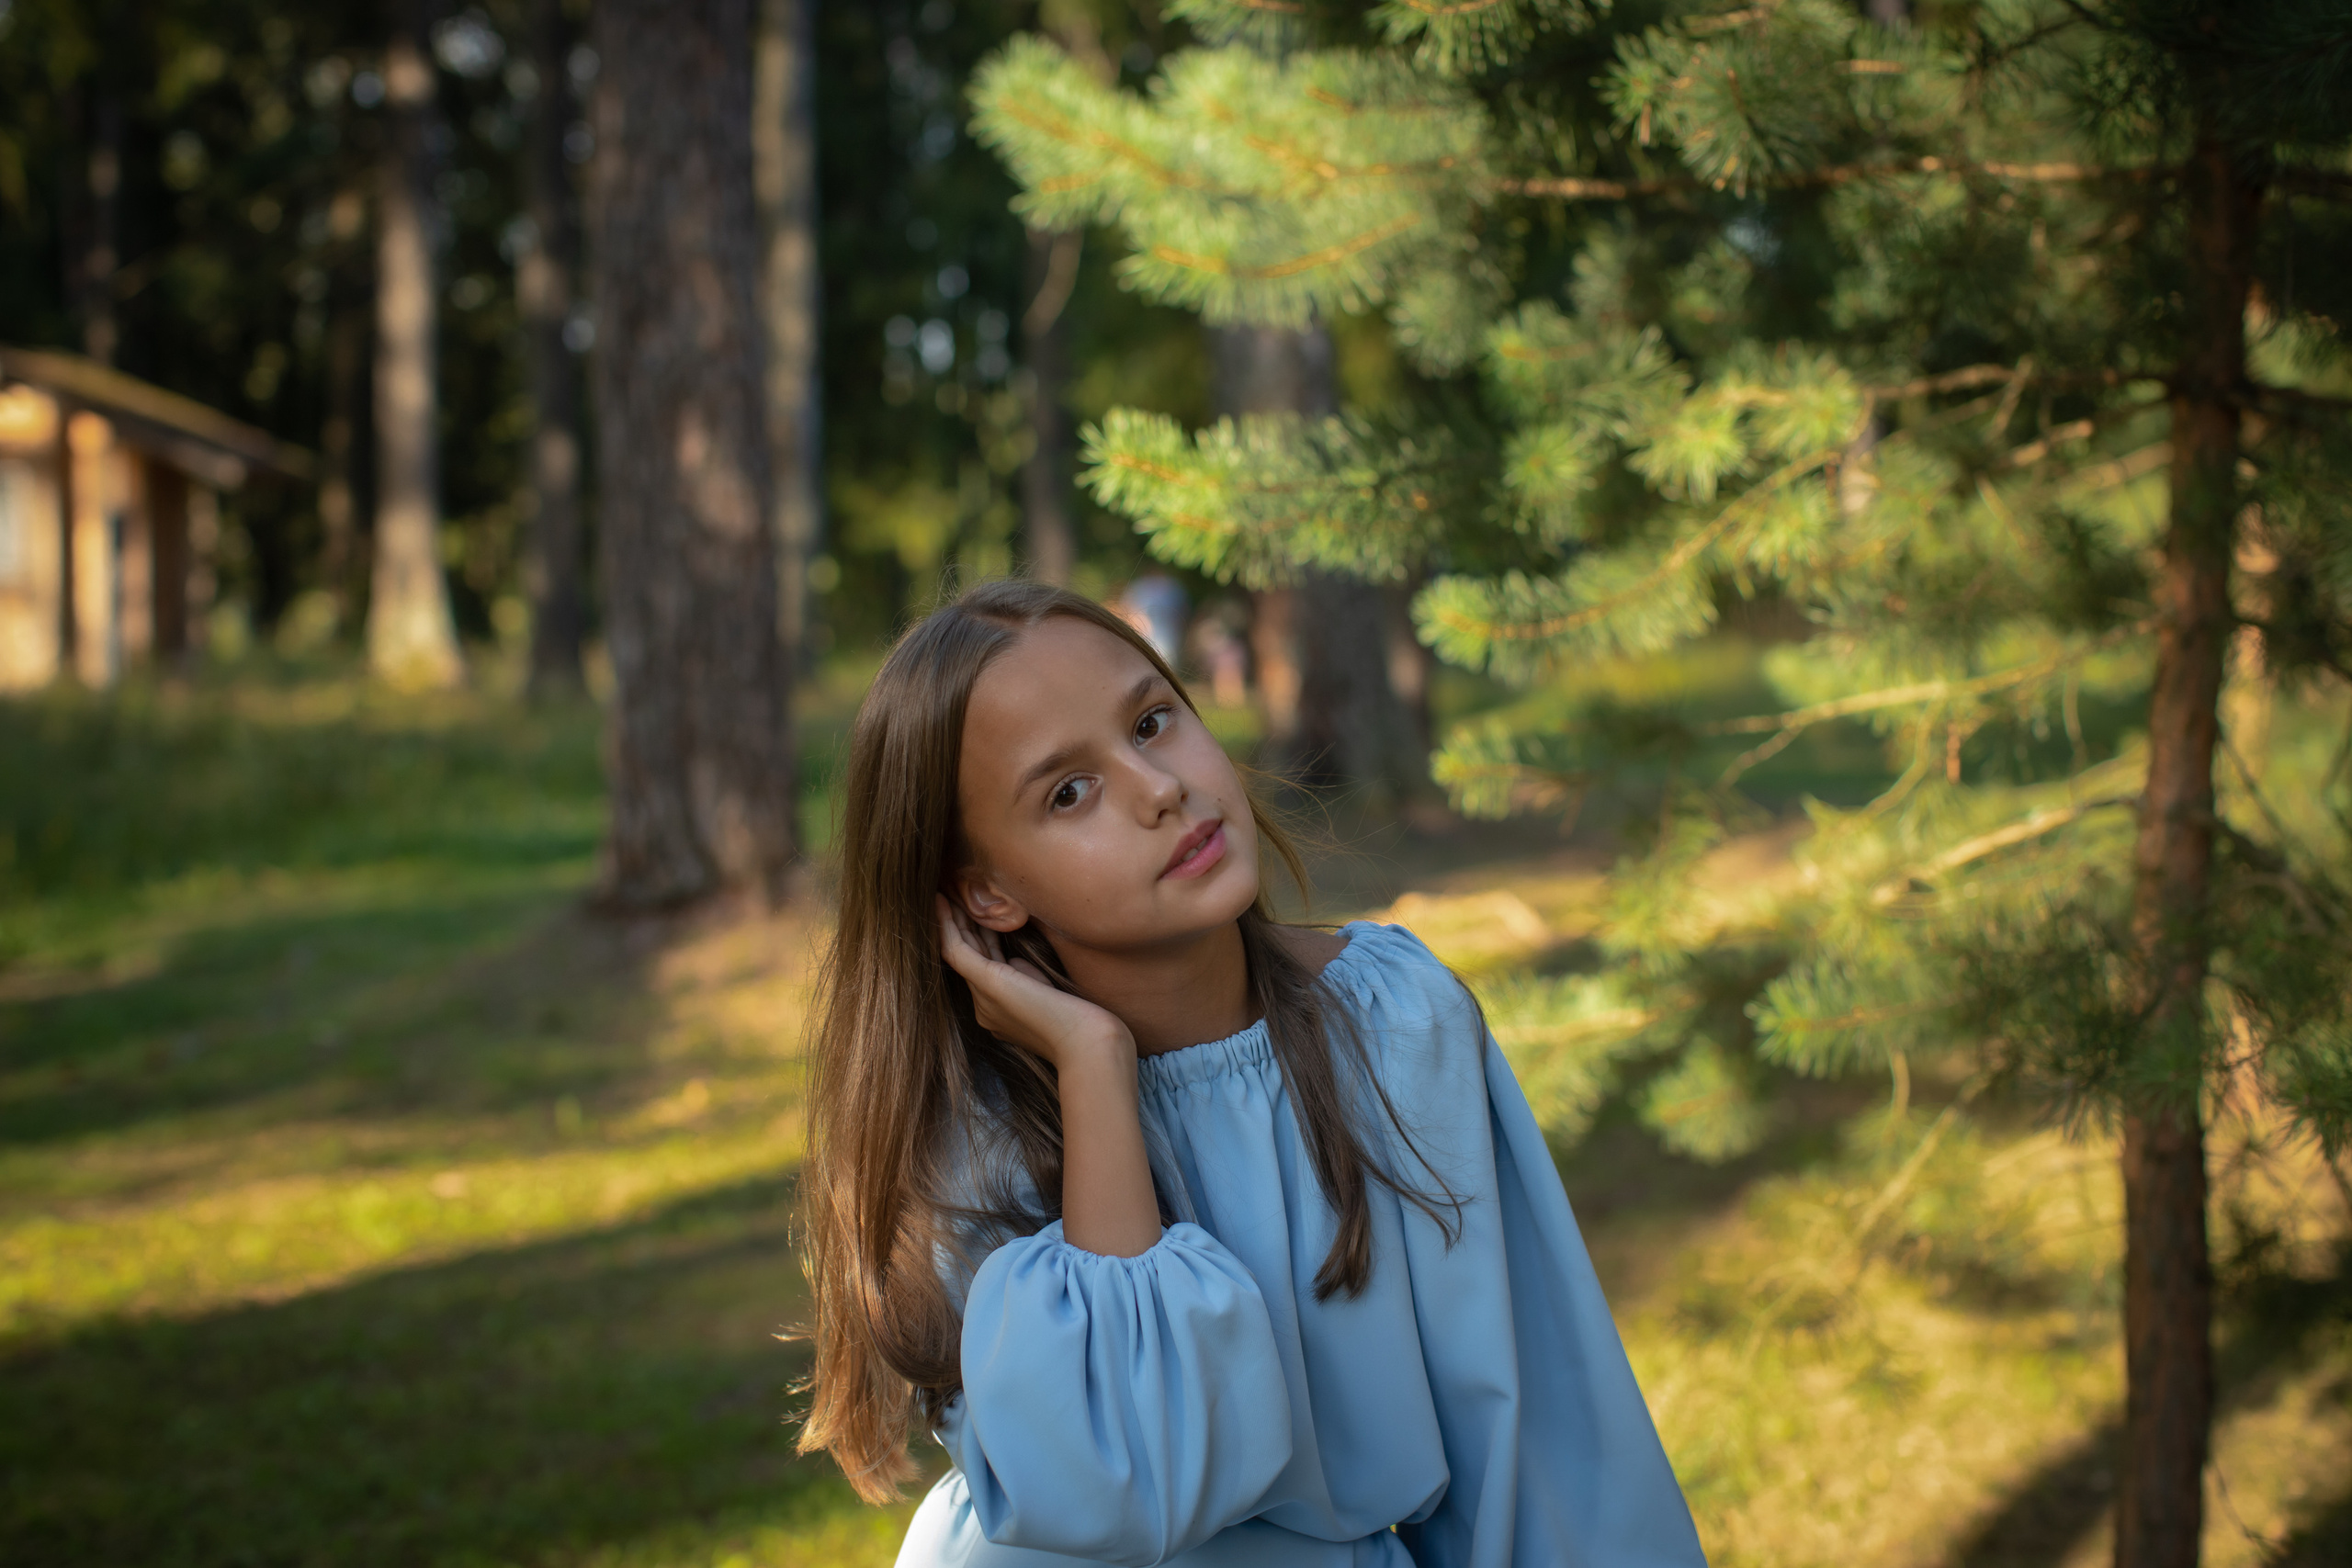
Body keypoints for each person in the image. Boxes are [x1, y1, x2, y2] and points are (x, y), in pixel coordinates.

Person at [797, 580, 1707, 1568]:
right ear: (986, 893)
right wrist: (1094, 1069)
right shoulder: (973, 1137)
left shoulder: (1394, 1023)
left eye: (1151, 722)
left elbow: (1537, 1440)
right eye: (1068, 791)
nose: (1159, 788)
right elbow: (1125, 1490)